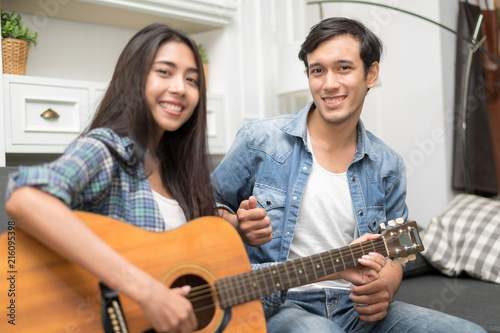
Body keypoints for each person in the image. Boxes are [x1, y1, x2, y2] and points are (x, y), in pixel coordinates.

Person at [211, 17, 486, 332]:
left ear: (371, 74)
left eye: (343, 68)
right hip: (277, 305)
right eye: (318, 70)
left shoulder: (388, 166)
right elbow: (202, 210)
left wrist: (386, 288)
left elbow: (398, 250)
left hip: (355, 308)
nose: (329, 84)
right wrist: (236, 223)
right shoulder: (258, 140)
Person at [5, 23, 216, 332]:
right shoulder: (107, 148)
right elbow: (25, 198)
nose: (181, 88)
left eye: (192, 79)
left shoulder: (177, 170)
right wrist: (146, 291)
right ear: (134, 79)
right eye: (164, 72)